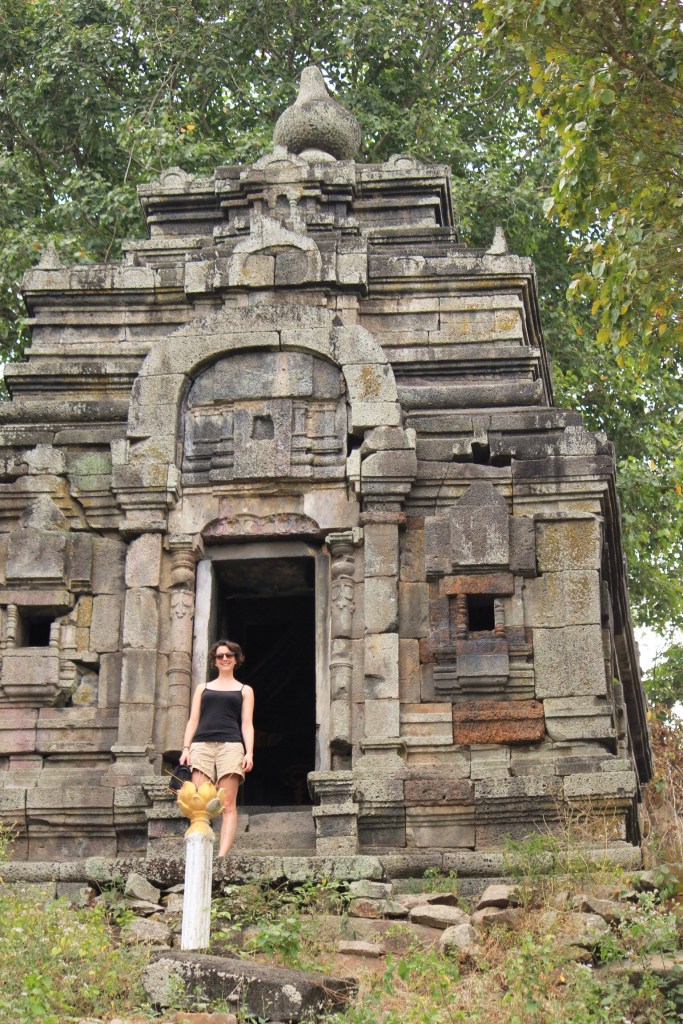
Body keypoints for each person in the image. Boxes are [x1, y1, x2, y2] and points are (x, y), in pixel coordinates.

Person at [179, 639, 254, 857]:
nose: (225, 659)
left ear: (236, 659)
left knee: (228, 803)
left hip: (231, 745)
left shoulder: (245, 690)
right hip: (201, 745)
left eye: (229, 655)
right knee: (200, 803)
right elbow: (193, 720)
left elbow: (247, 724)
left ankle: (221, 856)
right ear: (214, 661)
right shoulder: (202, 688)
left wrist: (249, 752)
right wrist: (186, 748)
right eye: (220, 656)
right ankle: (200, 853)